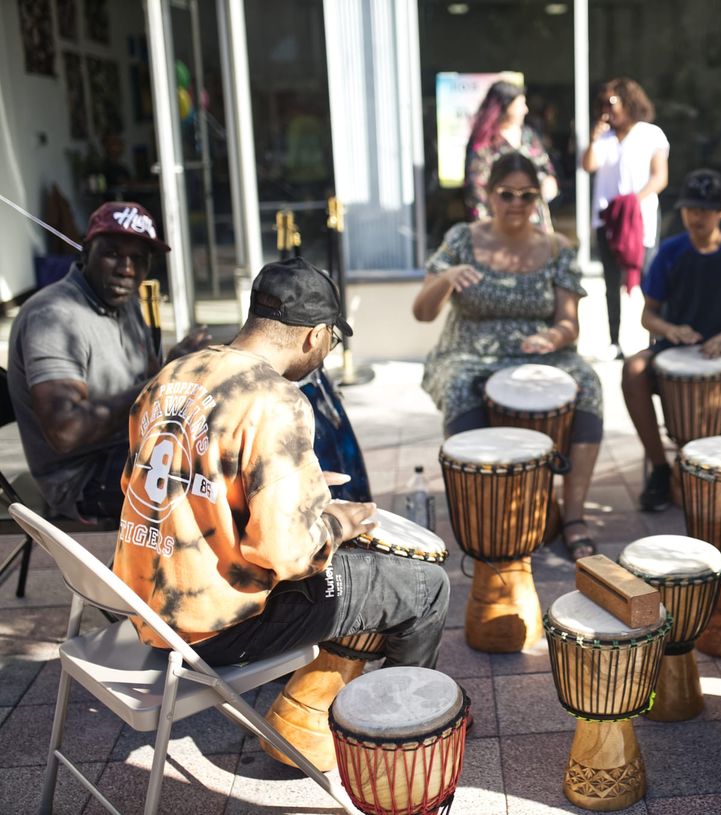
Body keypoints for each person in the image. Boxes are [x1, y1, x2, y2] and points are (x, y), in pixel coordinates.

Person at [114, 256, 449, 670]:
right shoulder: (275, 398)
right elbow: (287, 554)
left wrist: (291, 486)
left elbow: (151, 484)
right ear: (315, 336)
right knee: (425, 586)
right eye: (333, 341)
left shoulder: (171, 374)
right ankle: (399, 726)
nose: (327, 352)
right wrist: (337, 524)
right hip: (214, 628)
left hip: (147, 607)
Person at [414, 152, 603, 561]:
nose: (517, 202)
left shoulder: (557, 248)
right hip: (467, 352)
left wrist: (554, 335)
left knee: (588, 384)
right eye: (507, 193)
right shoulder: (462, 239)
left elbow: (570, 323)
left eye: (527, 194)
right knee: (461, 388)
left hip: (539, 355)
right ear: (488, 194)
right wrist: (445, 279)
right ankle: (486, 514)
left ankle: (573, 517)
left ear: (538, 198)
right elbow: (422, 312)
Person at [7, 201, 199, 521]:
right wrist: (165, 377)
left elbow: (149, 382)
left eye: (138, 258)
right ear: (85, 252)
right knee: (209, 479)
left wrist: (183, 366)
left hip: (129, 448)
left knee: (227, 446)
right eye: (113, 253)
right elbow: (65, 432)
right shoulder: (53, 318)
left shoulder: (124, 301)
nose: (126, 268)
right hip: (80, 479)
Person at [622, 169, 721, 512]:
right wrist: (670, 330)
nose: (695, 216)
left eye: (703, 209)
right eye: (690, 208)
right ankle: (660, 468)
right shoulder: (669, 253)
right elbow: (648, 315)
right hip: (676, 342)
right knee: (633, 369)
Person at [582, 77, 670, 360]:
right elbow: (589, 165)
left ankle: (656, 338)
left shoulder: (651, 134)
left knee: (648, 279)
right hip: (608, 220)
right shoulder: (604, 137)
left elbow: (660, 177)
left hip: (639, 219)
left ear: (628, 102)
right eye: (602, 104)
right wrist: (595, 136)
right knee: (610, 281)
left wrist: (634, 200)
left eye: (612, 103)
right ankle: (614, 341)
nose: (607, 109)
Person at [464, 80, 558, 221]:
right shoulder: (484, 143)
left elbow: (546, 168)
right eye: (520, 105)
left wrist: (549, 182)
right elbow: (476, 189)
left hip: (532, 224)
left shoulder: (529, 136)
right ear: (505, 107)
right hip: (498, 227)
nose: (525, 110)